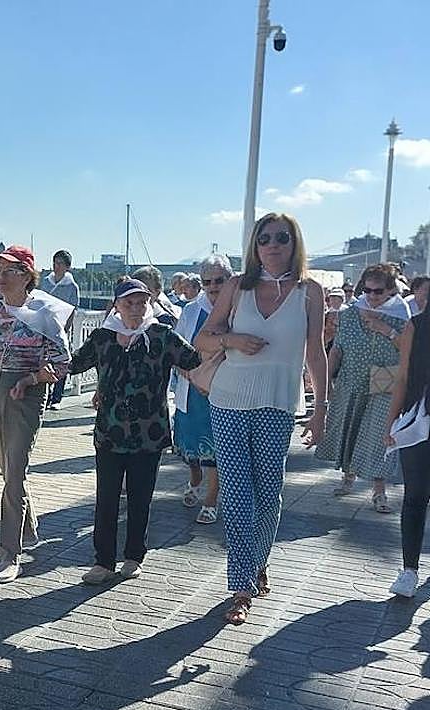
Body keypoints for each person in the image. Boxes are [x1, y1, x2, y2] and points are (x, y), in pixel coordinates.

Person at [195, 212, 327, 625]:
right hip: (229, 399)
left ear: (294, 243)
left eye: (281, 237)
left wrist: (321, 409)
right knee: (236, 492)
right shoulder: (237, 286)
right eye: (264, 237)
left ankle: (257, 562)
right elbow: (202, 339)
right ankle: (241, 584)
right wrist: (232, 339)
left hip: (278, 403)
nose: (272, 244)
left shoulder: (310, 292)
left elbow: (315, 353)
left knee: (269, 493)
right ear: (255, 245)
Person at [70, 278, 201, 584]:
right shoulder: (103, 337)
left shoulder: (161, 335)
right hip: (109, 433)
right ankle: (102, 561)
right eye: (128, 302)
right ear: (116, 305)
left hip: (149, 434)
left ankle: (133, 556)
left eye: (141, 302)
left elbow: (194, 359)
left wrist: (224, 339)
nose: (135, 308)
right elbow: (72, 364)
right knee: (106, 499)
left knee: (141, 498)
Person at [0, 245, 70, 583]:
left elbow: (64, 361)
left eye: (8, 270)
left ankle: (10, 553)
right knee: (8, 470)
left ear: (27, 275)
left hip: (24, 396)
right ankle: (28, 530)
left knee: (14, 474)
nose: (0, 276)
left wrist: (32, 378)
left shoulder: (44, 313)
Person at [317, 263, 410, 513]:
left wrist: (386, 329)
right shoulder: (350, 314)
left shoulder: (403, 316)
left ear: (391, 290)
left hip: (384, 385)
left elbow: (409, 351)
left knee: (379, 437)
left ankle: (379, 492)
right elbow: (336, 350)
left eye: (377, 291)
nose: (370, 296)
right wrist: (326, 384)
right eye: (366, 290)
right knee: (350, 428)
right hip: (351, 381)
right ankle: (348, 476)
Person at [173, 255, 229, 524]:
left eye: (220, 280)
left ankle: (211, 498)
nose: (214, 287)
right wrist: (189, 374)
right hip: (192, 389)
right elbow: (178, 348)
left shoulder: (239, 309)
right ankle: (195, 478)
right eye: (208, 282)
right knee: (190, 446)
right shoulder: (191, 310)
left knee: (216, 448)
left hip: (225, 391)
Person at [384, 305, 429, 597]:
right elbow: (402, 376)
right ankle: (409, 570)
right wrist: (391, 422)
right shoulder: (417, 325)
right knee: (415, 495)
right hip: (419, 420)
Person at [41, 249, 79, 410]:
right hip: (45, 327)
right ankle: (46, 396)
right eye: (54, 263)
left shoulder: (72, 286)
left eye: (60, 263)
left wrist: (66, 329)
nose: (56, 266)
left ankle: (57, 397)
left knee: (61, 361)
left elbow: (72, 310)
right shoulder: (45, 281)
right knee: (44, 360)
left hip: (61, 328)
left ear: (67, 267)